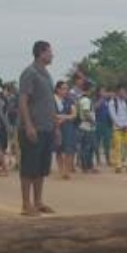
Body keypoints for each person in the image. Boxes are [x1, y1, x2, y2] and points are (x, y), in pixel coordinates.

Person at [18, 40, 59, 217]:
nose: (52, 55)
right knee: (29, 167)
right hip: (33, 128)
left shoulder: (47, 74)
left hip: (47, 127)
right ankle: (26, 205)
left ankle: (38, 201)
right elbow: (23, 100)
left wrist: (56, 128)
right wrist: (28, 125)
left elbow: (50, 103)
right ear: (41, 53)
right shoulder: (30, 73)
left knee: (41, 168)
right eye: (49, 52)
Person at [109, 86, 127, 173]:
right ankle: (118, 165)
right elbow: (113, 115)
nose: (123, 93)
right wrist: (120, 125)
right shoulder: (112, 102)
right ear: (117, 92)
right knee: (117, 147)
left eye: (124, 91)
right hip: (117, 128)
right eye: (122, 91)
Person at [55, 81, 78, 179]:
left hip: (68, 127)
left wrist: (62, 118)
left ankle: (66, 171)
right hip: (56, 126)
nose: (65, 91)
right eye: (63, 88)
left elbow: (74, 115)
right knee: (58, 149)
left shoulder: (70, 100)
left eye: (66, 88)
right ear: (58, 89)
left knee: (69, 150)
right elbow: (51, 114)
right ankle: (60, 170)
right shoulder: (52, 100)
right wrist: (62, 117)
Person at [77, 84, 97, 173]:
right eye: (92, 89)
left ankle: (87, 166)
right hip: (86, 126)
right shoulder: (86, 100)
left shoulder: (82, 99)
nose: (93, 91)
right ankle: (86, 166)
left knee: (87, 147)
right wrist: (92, 121)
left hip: (84, 125)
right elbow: (86, 112)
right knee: (88, 147)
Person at [94, 87, 113, 168]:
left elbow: (114, 94)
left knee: (107, 142)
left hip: (107, 124)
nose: (104, 92)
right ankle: (98, 160)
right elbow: (95, 107)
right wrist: (102, 98)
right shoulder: (96, 100)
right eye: (102, 91)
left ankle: (108, 159)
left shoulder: (108, 101)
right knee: (97, 143)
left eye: (105, 91)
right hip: (98, 123)